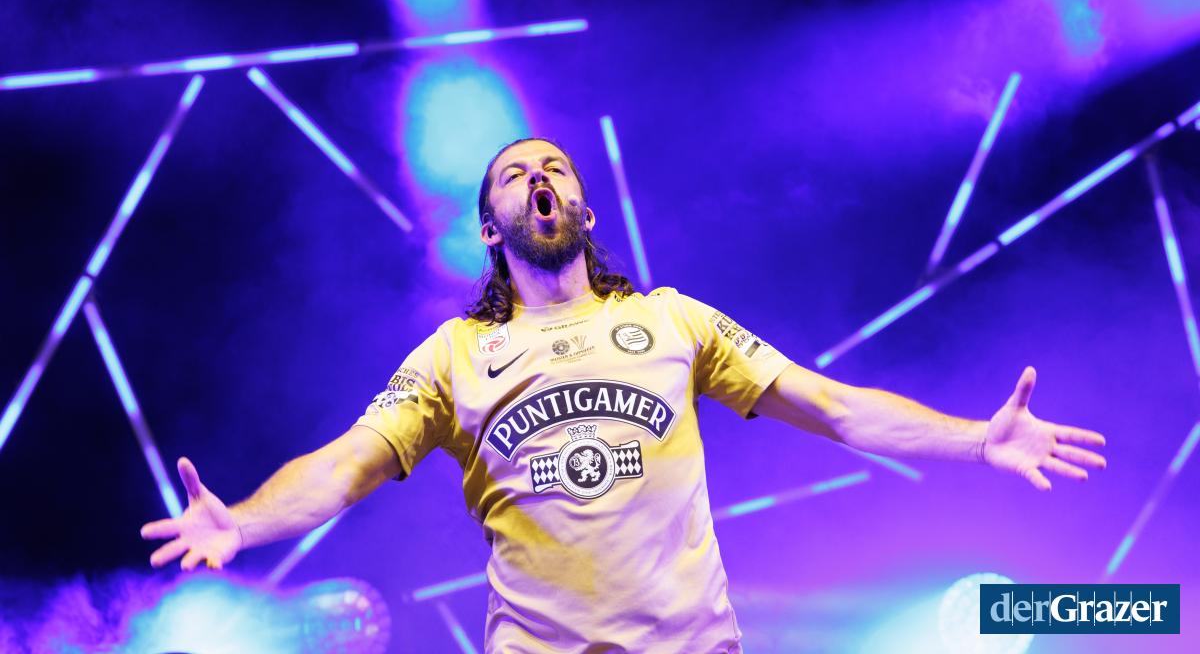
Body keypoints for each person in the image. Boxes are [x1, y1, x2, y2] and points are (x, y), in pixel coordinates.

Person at [141, 137, 1108, 653]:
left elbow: (834, 406)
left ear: (583, 208)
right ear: (491, 229)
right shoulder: (454, 355)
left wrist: (976, 440)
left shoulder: (674, 320)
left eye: (554, 168)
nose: (538, 178)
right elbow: (346, 466)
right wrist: (245, 523)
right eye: (514, 175)